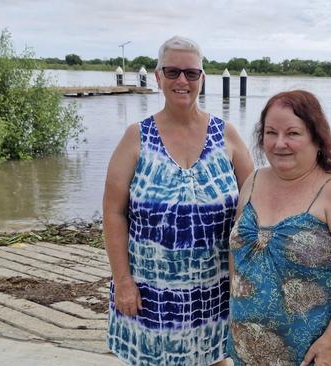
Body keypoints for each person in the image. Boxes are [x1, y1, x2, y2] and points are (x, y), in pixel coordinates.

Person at [103, 35, 253, 365]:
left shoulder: (226, 135)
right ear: (157, 77)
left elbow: (257, 204)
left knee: (217, 359)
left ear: (203, 77)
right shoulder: (136, 137)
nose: (182, 81)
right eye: (172, 72)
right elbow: (114, 212)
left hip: (216, 288)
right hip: (150, 290)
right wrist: (124, 281)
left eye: (191, 73)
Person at [228, 90, 331, 366]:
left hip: (312, 356)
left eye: (293, 133)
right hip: (248, 351)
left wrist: (330, 341)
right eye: (271, 132)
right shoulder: (253, 181)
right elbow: (238, 254)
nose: (279, 143)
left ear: (317, 138)